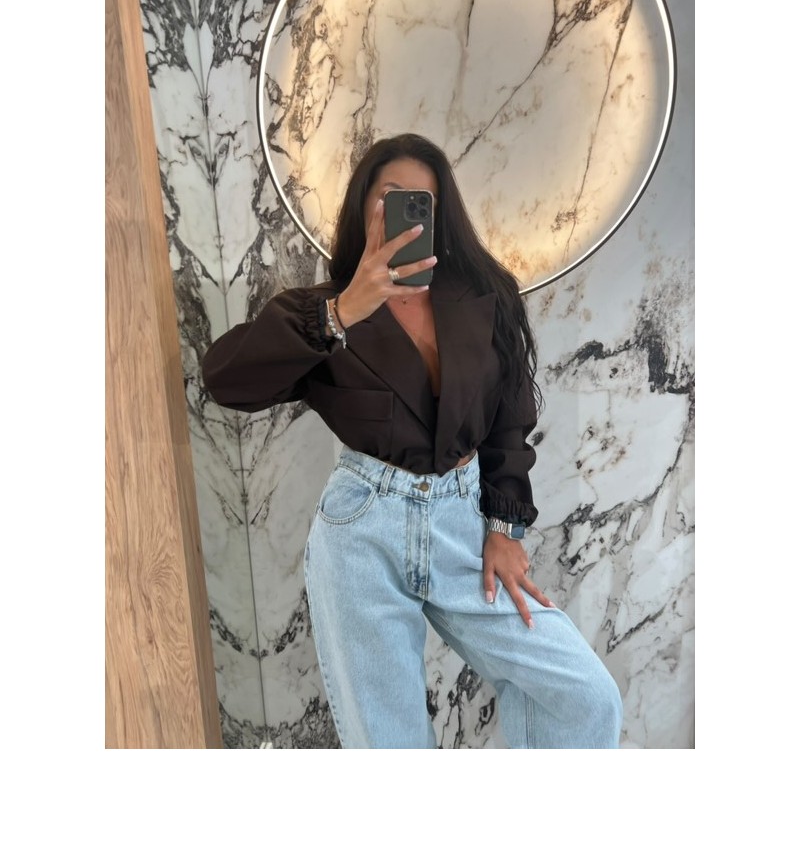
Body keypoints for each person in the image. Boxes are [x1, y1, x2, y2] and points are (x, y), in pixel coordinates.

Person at [202, 132, 623, 748]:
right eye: (391, 197)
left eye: (422, 202)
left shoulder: (484, 297)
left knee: (582, 696)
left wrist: (505, 527)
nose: (407, 213)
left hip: (462, 526)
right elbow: (226, 379)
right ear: (364, 205)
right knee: (392, 746)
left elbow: (509, 419)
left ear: (440, 215)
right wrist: (343, 312)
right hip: (362, 535)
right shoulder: (323, 312)